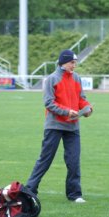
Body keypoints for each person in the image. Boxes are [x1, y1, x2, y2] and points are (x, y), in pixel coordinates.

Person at [26, 49, 93, 203]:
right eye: (72, 62)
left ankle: (75, 195)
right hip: (54, 126)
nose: (74, 65)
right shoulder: (51, 79)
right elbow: (48, 103)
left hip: (73, 127)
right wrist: (66, 112)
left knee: (74, 161)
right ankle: (30, 189)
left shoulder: (77, 78)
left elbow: (81, 99)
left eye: (75, 62)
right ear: (63, 62)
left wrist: (88, 108)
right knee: (45, 159)